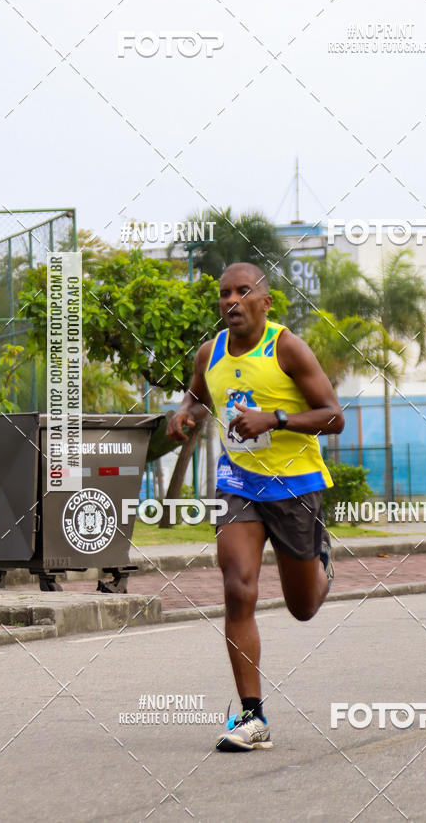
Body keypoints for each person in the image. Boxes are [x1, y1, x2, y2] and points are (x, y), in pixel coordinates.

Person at [166, 262, 344, 751]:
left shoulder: (286, 347)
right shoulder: (211, 352)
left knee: (302, 607)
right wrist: (185, 413)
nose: (232, 301)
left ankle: (320, 564)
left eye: (244, 292)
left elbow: (333, 417)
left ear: (265, 301)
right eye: (225, 293)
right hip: (239, 484)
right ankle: (253, 717)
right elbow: (201, 396)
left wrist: (276, 419)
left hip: (294, 487)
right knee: (237, 586)